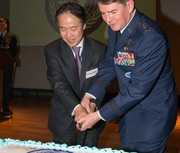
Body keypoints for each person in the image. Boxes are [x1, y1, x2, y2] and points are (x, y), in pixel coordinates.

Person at [77, 0, 178, 152]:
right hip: (127, 112)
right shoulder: (115, 26)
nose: (107, 19)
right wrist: (90, 95)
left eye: (112, 12)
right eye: (103, 13)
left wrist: (98, 116)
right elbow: (111, 63)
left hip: (152, 117)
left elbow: (138, 89)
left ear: (129, 5)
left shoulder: (151, 37)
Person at [44, 2, 106, 147]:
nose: (68, 35)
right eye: (62, 29)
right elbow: (58, 83)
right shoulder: (52, 50)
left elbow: (101, 81)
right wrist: (77, 108)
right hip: (64, 118)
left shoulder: (99, 49)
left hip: (91, 117)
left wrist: (92, 104)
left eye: (73, 28)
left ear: (84, 25)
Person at [0, 18, 17, 114]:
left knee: (6, 86)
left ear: (6, 26)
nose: (1, 27)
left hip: (6, 65)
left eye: (3, 25)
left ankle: (5, 106)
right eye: (0, 25)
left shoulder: (11, 37)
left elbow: (14, 52)